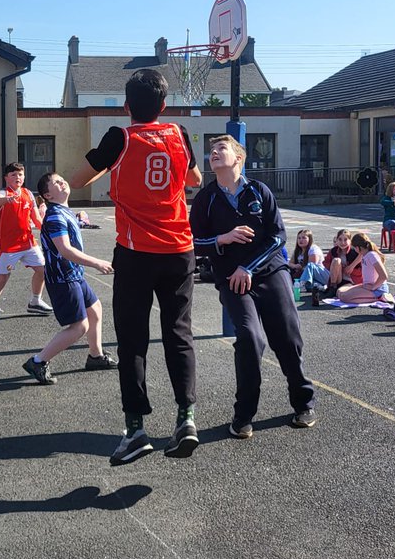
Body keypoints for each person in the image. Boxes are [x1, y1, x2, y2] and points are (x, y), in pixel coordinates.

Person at [69, 68, 202, 463]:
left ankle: (136, 429)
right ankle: (186, 418)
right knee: (179, 333)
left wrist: (112, 167)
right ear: (163, 106)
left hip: (136, 251)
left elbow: (78, 180)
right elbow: (193, 178)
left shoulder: (120, 137)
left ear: (127, 106)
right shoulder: (178, 133)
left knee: (132, 341)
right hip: (179, 249)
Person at [191, 134, 315, 440]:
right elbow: (192, 242)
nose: (215, 153)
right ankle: (244, 414)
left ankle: (303, 403)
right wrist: (223, 239)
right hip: (232, 278)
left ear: (238, 158)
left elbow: (277, 237)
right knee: (249, 337)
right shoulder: (206, 199)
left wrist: (249, 266)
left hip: (269, 272)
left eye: (222, 149)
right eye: (212, 151)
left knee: (287, 336)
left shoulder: (259, 191)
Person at [21, 171, 116, 384]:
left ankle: (95, 356)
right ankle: (38, 361)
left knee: (95, 309)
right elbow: (65, 250)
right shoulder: (55, 216)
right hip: (63, 279)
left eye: (61, 178)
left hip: (74, 275)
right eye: (56, 182)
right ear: (48, 195)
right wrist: (97, 263)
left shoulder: (64, 211)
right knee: (79, 327)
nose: (62, 181)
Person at [0, 163, 51, 319]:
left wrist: (48, 231)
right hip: (8, 246)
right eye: (13, 175)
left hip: (28, 242)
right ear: (6, 178)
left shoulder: (28, 194)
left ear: (24, 177)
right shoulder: (4, 193)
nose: (17, 177)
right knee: (3, 276)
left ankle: (35, 301)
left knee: (43, 270)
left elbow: (36, 218)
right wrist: (8, 199)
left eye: (20, 174)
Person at [336, 232, 393, 304]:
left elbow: (384, 276)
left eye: (354, 248)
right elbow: (360, 256)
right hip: (367, 286)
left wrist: (373, 287)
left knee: (345, 297)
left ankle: (381, 297)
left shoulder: (372, 255)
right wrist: (351, 266)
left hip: (377, 289)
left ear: (357, 248)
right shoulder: (364, 254)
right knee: (340, 292)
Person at [324, 229, 363, 294]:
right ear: (336, 240)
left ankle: (337, 290)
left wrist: (351, 267)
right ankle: (333, 287)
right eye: (340, 239)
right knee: (336, 260)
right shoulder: (333, 251)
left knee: (340, 293)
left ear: (350, 241)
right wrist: (337, 267)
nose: (342, 243)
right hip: (338, 278)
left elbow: (361, 270)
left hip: (351, 280)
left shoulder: (355, 252)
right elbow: (326, 264)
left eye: (345, 240)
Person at [289, 228, 327, 294]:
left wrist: (300, 268)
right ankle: (319, 287)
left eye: (304, 238)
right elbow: (289, 263)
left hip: (321, 275)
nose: (301, 240)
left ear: (310, 239)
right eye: (299, 238)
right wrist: (295, 266)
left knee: (310, 265)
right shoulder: (298, 251)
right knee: (308, 284)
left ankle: (302, 284)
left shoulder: (313, 249)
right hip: (310, 278)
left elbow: (312, 266)